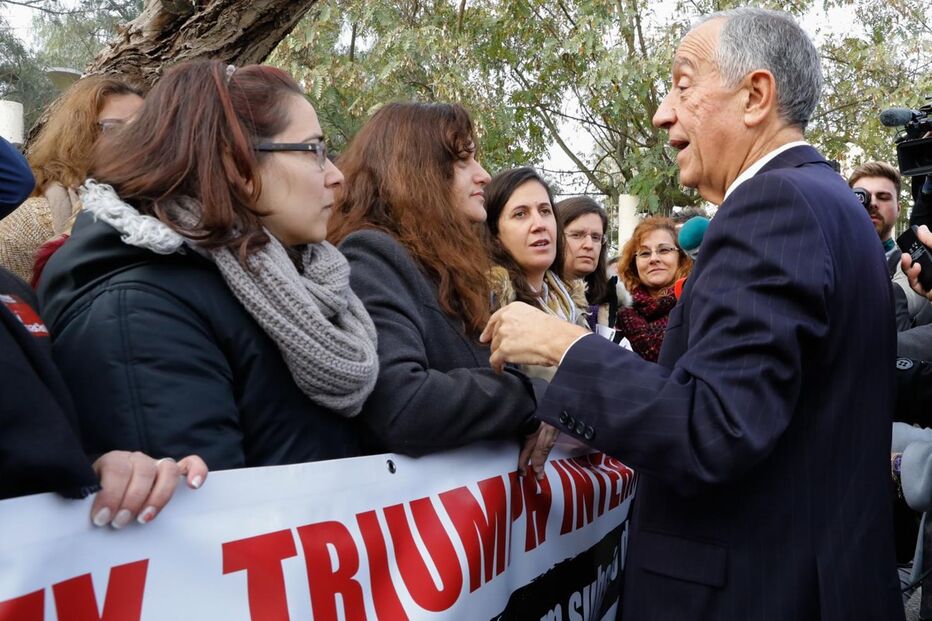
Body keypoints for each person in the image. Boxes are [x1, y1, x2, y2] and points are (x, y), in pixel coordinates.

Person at [482, 8, 903, 619]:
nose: (662, 113)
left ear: (755, 95)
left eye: (682, 85)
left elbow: (715, 425)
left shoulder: (772, 205)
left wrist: (563, 348)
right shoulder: (827, 198)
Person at [37, 61, 378, 470]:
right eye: (315, 150)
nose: (337, 176)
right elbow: (202, 523)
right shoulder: (140, 313)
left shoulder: (290, 283)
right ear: (236, 164)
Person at [328, 103, 553, 473]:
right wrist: (526, 396)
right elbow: (405, 403)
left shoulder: (444, 267)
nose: (483, 175)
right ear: (415, 171)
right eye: (463, 160)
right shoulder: (372, 253)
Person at [0, 76, 144, 282]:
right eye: (115, 128)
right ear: (79, 134)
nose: (138, 139)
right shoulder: (29, 220)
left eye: (146, 127)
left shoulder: (166, 211)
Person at [484, 167, 587, 327]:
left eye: (545, 211)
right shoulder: (485, 307)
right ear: (494, 233)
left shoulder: (573, 306)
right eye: (520, 214)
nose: (539, 224)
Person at [613, 216, 691, 361]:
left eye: (664, 250)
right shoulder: (615, 313)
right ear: (633, 263)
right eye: (644, 253)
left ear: (681, 257)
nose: (653, 259)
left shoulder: (696, 304)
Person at [556, 196, 626, 333]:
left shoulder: (613, 302)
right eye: (577, 235)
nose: (589, 245)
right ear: (554, 237)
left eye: (596, 237)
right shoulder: (533, 298)